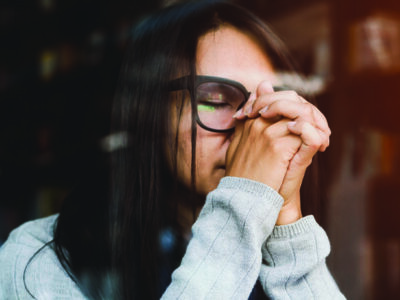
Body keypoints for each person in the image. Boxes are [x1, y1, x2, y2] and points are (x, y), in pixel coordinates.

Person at [0, 1, 345, 299]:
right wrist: (243, 203)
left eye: (269, 104)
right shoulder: (39, 259)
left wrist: (286, 227)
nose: (253, 127)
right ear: (148, 114)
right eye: (214, 100)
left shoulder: (274, 253)